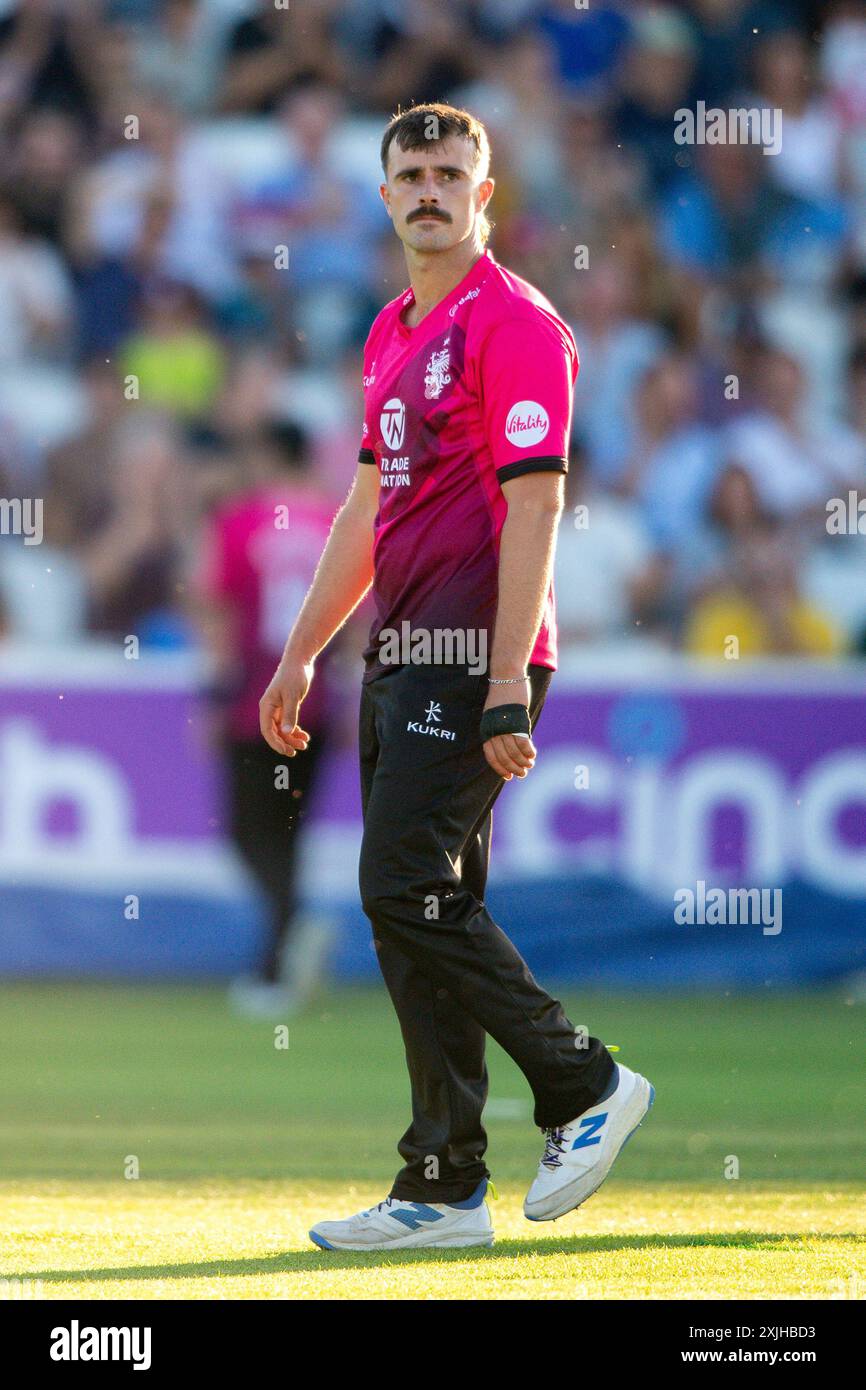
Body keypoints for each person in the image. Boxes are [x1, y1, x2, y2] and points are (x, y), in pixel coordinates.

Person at [258, 103, 654, 1251]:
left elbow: (536, 506)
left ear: (486, 196)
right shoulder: (389, 328)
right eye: (409, 174)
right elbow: (366, 508)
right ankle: (440, 1185)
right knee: (420, 913)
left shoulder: (514, 324)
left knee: (398, 886)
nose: (428, 189)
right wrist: (302, 650)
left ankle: (583, 1083)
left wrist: (497, 683)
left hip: (474, 656)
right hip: (397, 657)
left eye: (449, 173)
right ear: (384, 199)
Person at [198, 420, 337, 1016]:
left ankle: (288, 942)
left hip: (253, 700)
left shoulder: (239, 520)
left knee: (244, 832)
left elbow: (218, 616)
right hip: (318, 701)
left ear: (266, 455)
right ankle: (276, 965)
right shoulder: (337, 521)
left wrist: (213, 697)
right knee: (290, 835)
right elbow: (361, 621)